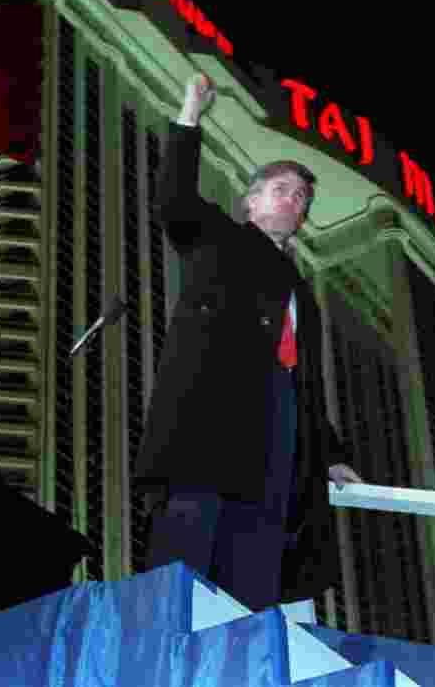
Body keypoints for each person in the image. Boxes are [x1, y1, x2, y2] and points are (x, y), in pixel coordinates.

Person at [134, 72, 364, 612]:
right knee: (183, 578)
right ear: (251, 203)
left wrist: (329, 455)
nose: (295, 200)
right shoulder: (221, 241)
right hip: (211, 429)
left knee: (253, 588)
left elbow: (300, 379)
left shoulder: (300, 293)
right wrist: (190, 113)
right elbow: (173, 201)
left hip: (277, 437)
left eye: (302, 195)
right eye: (282, 189)